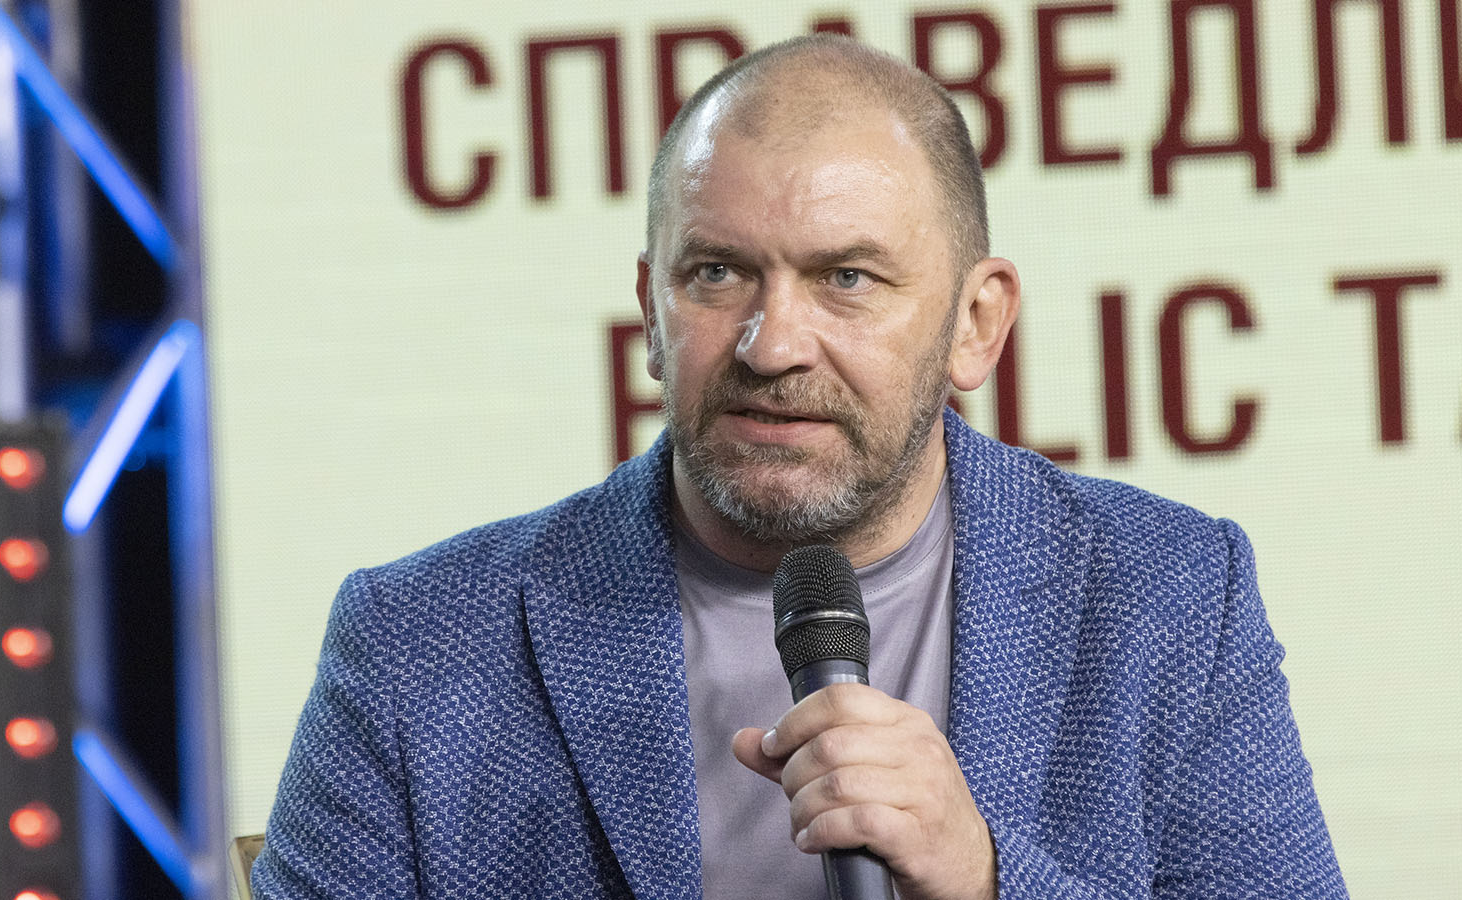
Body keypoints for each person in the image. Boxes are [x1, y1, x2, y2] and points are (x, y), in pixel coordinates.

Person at [252, 34, 1346, 900]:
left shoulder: (1169, 593)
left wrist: (984, 878)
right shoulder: (416, 645)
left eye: (847, 279)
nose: (772, 345)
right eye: (716, 274)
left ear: (976, 323)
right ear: (649, 313)